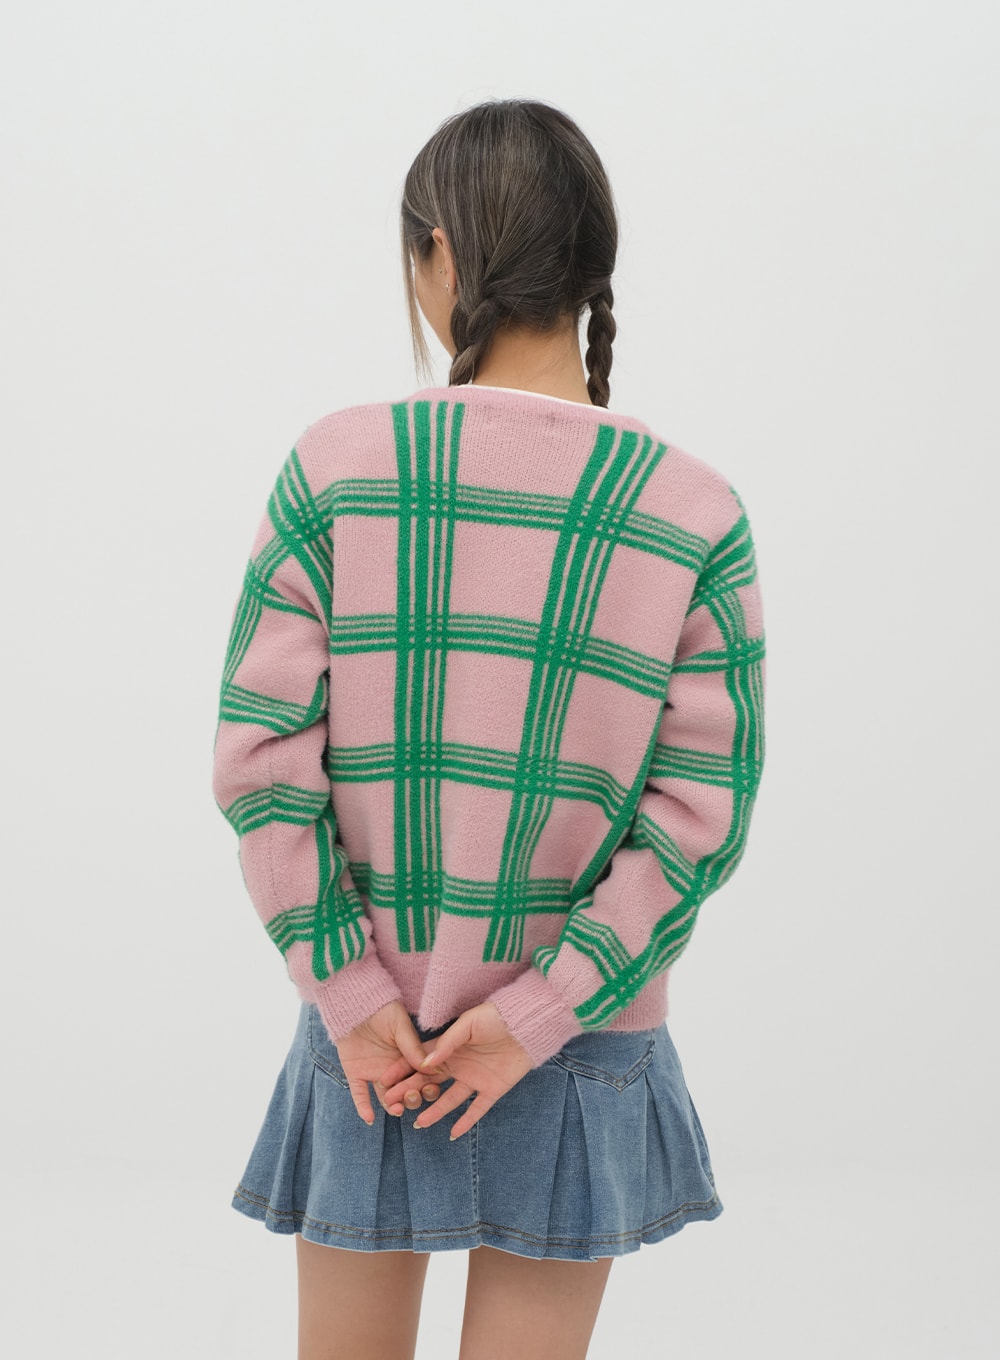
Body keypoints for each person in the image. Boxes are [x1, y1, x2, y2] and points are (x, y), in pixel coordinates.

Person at [211, 97, 767, 1360]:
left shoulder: (340, 466)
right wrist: (539, 1011)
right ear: (590, 268)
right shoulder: (690, 509)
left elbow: (260, 763)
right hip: (579, 1030)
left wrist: (350, 987)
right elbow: (699, 821)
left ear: (440, 254)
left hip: (375, 1026)